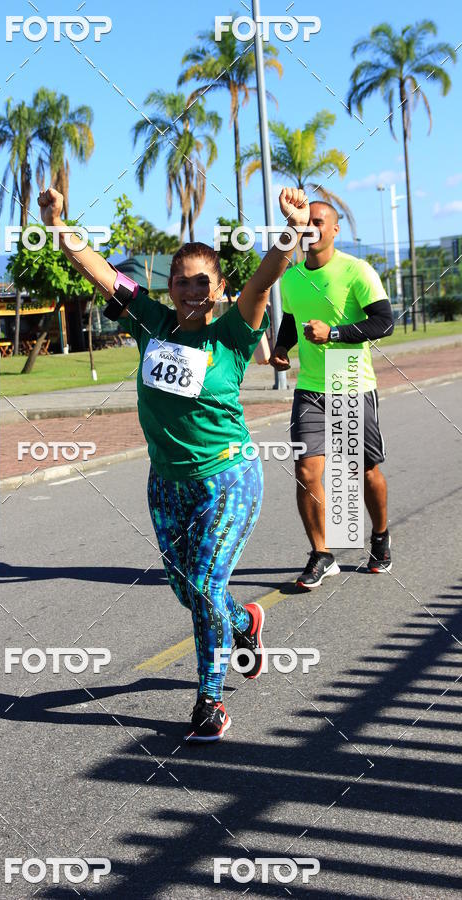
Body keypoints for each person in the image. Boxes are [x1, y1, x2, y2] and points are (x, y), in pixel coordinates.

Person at [39, 184, 310, 741]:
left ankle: (209, 700)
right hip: (167, 485)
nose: (191, 290)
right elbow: (96, 270)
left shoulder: (232, 332)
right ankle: (245, 623)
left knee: (205, 587)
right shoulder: (150, 323)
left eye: (202, 281)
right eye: (182, 281)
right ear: (170, 287)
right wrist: (59, 223)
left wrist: (292, 228)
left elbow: (268, 273)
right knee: (189, 591)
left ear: (218, 289)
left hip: (228, 478)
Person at [270, 201, 394, 589]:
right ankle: (322, 554)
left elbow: (384, 322)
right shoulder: (291, 278)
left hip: (350, 380)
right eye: (305, 224)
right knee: (307, 470)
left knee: (364, 470)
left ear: (335, 229)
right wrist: (280, 348)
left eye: (318, 223)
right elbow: (291, 319)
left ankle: (380, 536)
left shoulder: (356, 271)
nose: (310, 229)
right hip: (309, 386)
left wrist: (335, 333)